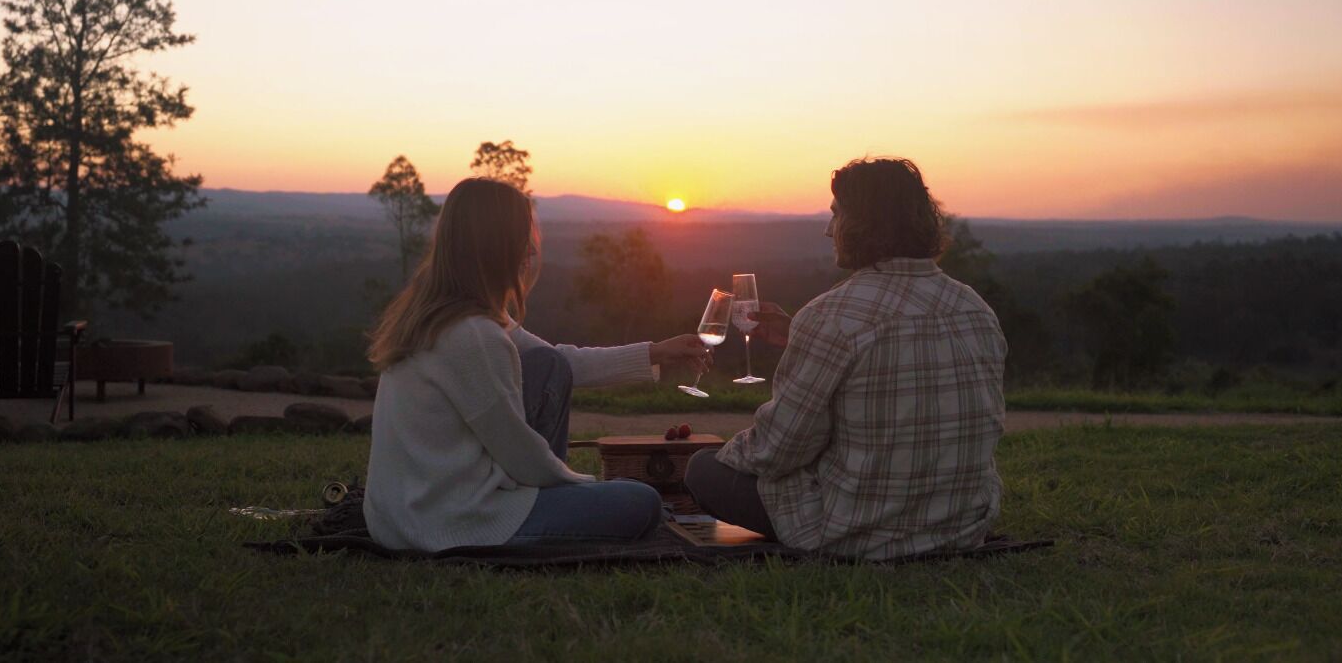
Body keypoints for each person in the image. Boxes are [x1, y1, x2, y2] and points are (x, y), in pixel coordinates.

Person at [685, 157, 1006, 560]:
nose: (828, 230)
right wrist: (800, 339)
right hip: (961, 525)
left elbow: (779, 449)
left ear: (862, 224)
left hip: (857, 531)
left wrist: (724, 453)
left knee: (701, 470)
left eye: (837, 216)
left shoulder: (831, 315)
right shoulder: (974, 308)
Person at [364, 177, 707, 551]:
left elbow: (561, 363)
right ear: (499, 246)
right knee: (641, 503)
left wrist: (657, 352)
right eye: (523, 236)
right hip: (450, 521)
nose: (530, 248)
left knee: (547, 366)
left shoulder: (440, 315)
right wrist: (583, 485)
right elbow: (521, 456)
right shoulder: (473, 335)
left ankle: (550, 504)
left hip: (404, 515)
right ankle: (544, 510)